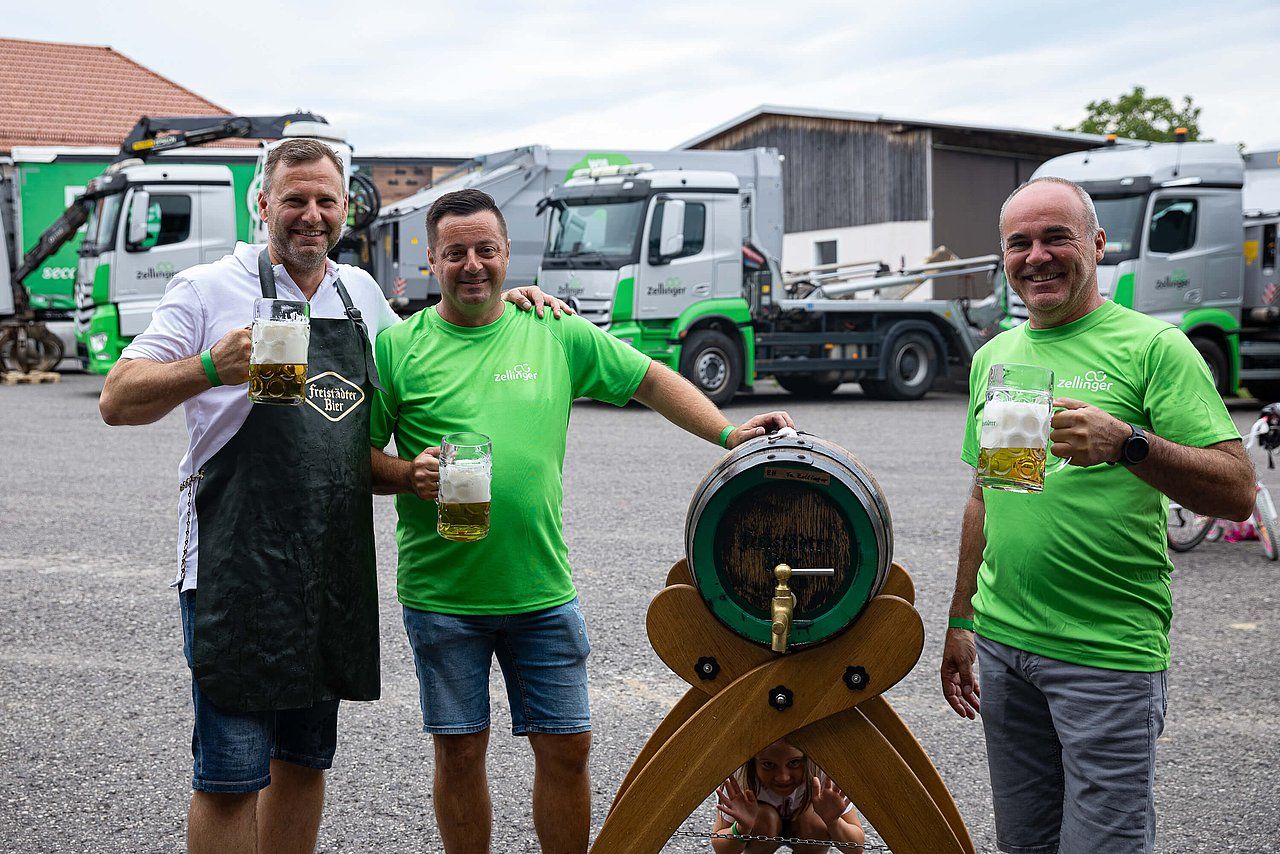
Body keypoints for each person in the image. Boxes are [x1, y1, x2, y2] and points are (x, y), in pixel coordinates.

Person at [98, 140, 566, 854]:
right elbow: (116, 401)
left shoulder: (360, 296)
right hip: (236, 574)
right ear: (263, 205)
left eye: (326, 201)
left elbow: (436, 347)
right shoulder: (206, 287)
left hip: (327, 573)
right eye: (295, 200)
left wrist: (514, 303)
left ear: (345, 208)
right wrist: (206, 366)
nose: (311, 216)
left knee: (303, 764)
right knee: (228, 779)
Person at [369, 188, 794, 854]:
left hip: (540, 588)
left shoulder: (552, 329)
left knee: (567, 749)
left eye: (486, 249)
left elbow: (650, 377)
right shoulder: (399, 347)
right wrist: (404, 475)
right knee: (458, 754)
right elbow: (358, 460)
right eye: (456, 252)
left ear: (509, 254)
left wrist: (726, 432)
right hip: (442, 595)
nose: (472, 265)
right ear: (433, 258)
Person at [939, 176, 1254, 854]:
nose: (1038, 256)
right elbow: (991, 492)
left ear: (1099, 245)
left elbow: (1237, 492)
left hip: (1106, 657)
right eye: (1019, 243)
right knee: (1025, 845)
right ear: (1004, 258)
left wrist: (1128, 444)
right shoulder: (1001, 356)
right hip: (1005, 646)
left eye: (1057, 237)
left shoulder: (1152, 349)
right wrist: (961, 620)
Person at [713, 740, 865, 853]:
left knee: (814, 820)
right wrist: (742, 828)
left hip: (807, 830)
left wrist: (833, 821)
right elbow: (721, 847)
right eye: (768, 765)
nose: (783, 777)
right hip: (763, 829)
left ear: (807, 759)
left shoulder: (822, 775)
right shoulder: (740, 780)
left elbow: (856, 846)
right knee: (764, 819)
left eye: (794, 763)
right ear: (753, 763)